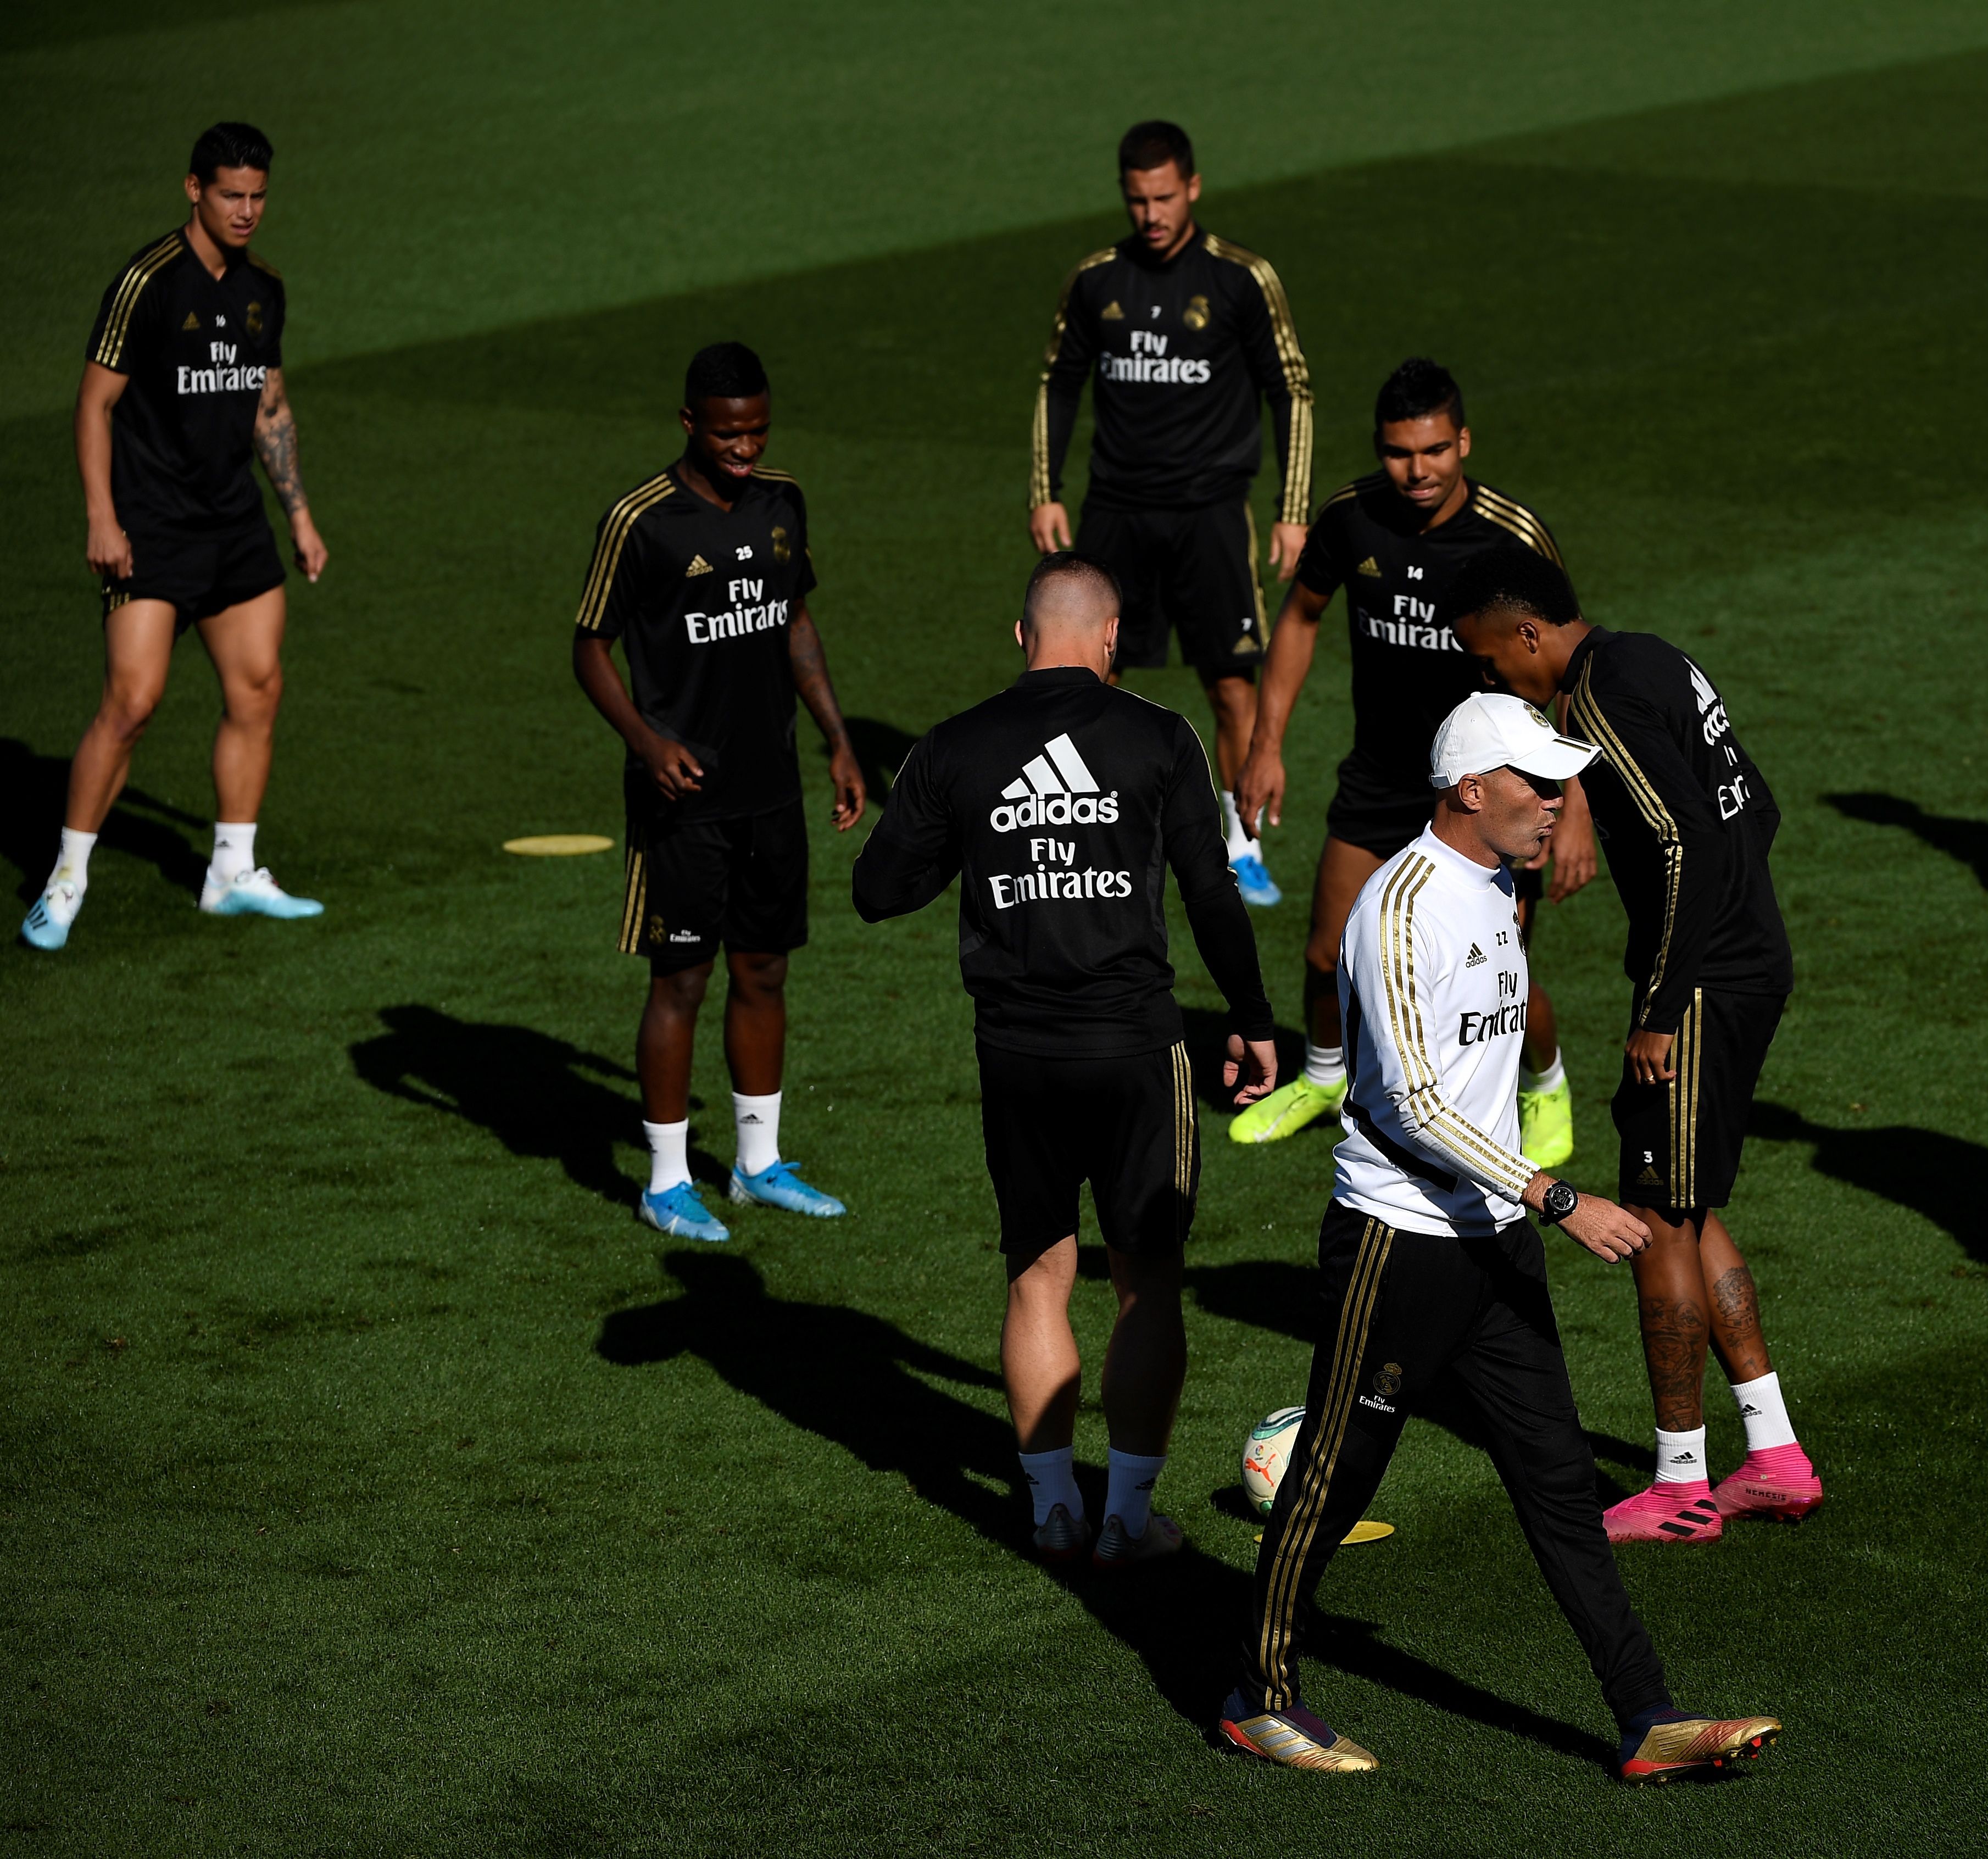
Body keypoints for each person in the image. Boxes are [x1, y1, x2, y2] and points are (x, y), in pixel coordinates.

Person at [1222, 692, 1779, 1784]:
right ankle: (1256, 1695)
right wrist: (1557, 1198)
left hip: (1491, 1245)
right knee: (1336, 1476)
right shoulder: (1398, 908)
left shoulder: (1496, 888)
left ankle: (1645, 1716)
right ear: (1471, 791)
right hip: (1401, 1245)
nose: (1560, 801)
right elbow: (1410, 1106)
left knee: (1559, 1479)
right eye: (1539, 783)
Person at [851, 553, 1279, 1568]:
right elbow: (1212, 890)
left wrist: (979, 835)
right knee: (1148, 1283)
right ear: (1114, 636)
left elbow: (878, 891)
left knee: (1037, 1278)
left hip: (1016, 1056)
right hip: (1137, 1051)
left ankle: (1049, 1510)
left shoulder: (954, 748)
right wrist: (1254, 1016)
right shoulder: (1161, 735)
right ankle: (1126, 1520)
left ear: (1021, 637)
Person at [1449, 549, 1823, 1541]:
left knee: (1655, 1217)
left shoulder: (1602, 695)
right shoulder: (1656, 658)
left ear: (1530, 636)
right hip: (1745, 960)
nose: (1495, 683)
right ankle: (1775, 1454)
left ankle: (1679, 1483)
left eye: (1492, 663)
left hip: (1698, 985)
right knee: (1690, 1211)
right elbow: (1758, 807)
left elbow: (1685, 841)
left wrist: (1661, 1002)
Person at [1228, 358, 1591, 1168]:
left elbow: (1570, 665)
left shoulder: (1511, 533)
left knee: (1501, 971)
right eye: (1399, 452)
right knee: (1328, 952)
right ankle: (1324, 1078)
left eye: (1434, 450)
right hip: (1379, 776)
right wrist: (1266, 746)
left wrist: (1574, 808)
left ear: (1463, 441)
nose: (1417, 471)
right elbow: (1300, 617)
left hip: (1484, 794)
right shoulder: (1351, 519)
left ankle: (1545, 1084)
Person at [571, 342, 866, 1243]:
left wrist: (839, 741)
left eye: (758, 430)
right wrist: (646, 741)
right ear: (690, 423)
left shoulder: (783, 501)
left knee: (765, 968)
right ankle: (665, 1182)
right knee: (682, 980)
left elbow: (795, 624)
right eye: (729, 433)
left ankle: (757, 1165)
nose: (745, 447)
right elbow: (589, 646)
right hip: (683, 794)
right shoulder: (641, 520)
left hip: (768, 784)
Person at [26, 122, 330, 951]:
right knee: (132, 702)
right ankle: (65, 880)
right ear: (194, 189)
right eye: (231, 194)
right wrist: (102, 515)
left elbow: (269, 404)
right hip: (152, 524)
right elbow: (94, 403)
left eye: (259, 196)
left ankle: (232, 873)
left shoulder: (264, 286)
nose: (247, 210)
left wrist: (297, 514)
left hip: (234, 525)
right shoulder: (148, 282)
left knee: (258, 687)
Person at [1029, 119, 1313, 908]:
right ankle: (1092, 832)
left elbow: (1290, 387)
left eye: (1163, 198)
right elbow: (1059, 382)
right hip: (1116, 511)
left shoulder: (1241, 279)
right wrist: (1044, 492)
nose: (1150, 215)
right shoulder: (1096, 280)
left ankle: (1242, 844)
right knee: (1091, 676)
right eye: (1136, 201)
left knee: (1230, 684)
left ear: (1192, 187)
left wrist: (1292, 512)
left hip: (1211, 515)